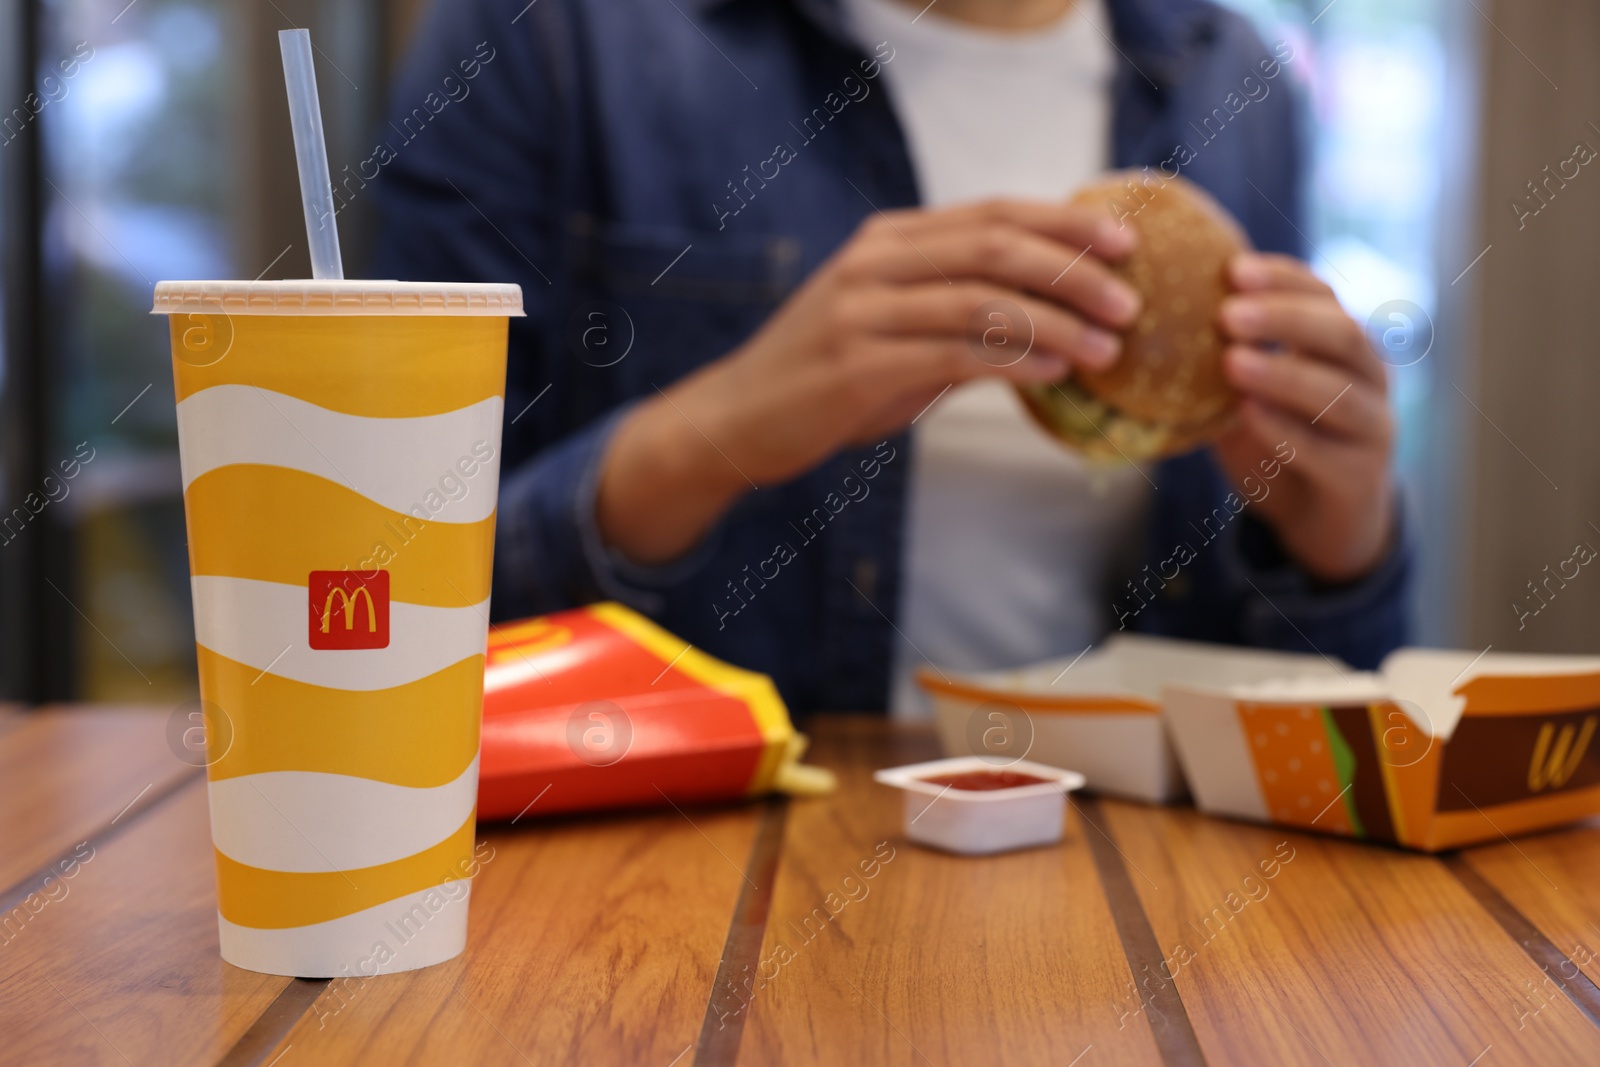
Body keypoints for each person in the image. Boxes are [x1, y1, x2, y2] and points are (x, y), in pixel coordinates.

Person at [374, 0, 1408, 717]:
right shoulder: (554, 39)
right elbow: (376, 587)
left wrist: (1337, 548)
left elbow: (1290, 708)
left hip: (1124, 891)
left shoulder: (1237, 88)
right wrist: (714, 431)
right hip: (679, 896)